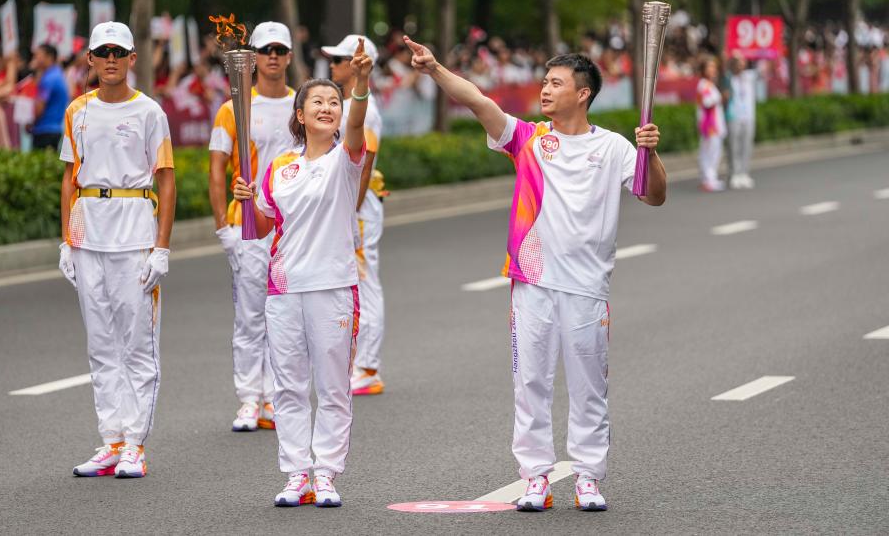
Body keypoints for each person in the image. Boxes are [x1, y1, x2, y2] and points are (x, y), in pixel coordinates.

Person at [402, 35, 666, 513]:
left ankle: (587, 476)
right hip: (533, 282)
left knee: (589, 386)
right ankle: (536, 478)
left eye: (556, 83)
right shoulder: (528, 139)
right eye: (544, 81)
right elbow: (479, 101)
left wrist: (651, 152)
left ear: (582, 93)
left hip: (587, 286)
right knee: (532, 385)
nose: (544, 90)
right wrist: (435, 68)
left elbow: (653, 195)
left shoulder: (613, 148)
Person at [233, 39, 373, 508]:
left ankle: (327, 473)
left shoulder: (345, 161)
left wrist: (360, 86)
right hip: (284, 287)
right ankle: (297, 473)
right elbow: (266, 227)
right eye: (318, 101)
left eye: (333, 102)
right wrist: (247, 202)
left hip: (333, 286)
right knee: (289, 385)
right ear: (300, 114)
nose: (327, 108)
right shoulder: (280, 167)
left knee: (332, 388)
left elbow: (356, 126)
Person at [59, 22, 176, 479]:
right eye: (102, 51)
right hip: (89, 232)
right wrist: (66, 240)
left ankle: (135, 443)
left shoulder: (150, 113)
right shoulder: (77, 112)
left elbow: (165, 180)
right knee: (101, 343)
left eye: (118, 51)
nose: (110, 59)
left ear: (131, 59)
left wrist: (161, 247)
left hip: (133, 232)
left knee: (137, 343)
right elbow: (68, 179)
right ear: (90, 59)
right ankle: (110, 439)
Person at [209, 21, 296, 432]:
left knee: (284, 316)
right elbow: (215, 169)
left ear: (290, 56)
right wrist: (222, 228)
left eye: (280, 49)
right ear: (254, 58)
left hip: (289, 228)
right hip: (246, 223)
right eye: (266, 50)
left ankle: (276, 397)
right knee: (249, 316)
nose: (273, 56)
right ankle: (249, 398)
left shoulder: (303, 107)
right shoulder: (233, 107)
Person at [321, 34, 388, 396]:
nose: (332, 65)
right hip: (350, 205)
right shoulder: (344, 104)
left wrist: (349, 212)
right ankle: (359, 362)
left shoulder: (366, 109)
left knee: (365, 281)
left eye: (339, 59)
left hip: (358, 206)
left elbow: (365, 166)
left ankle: (368, 366)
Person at [722, 52, 756, 189]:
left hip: (748, 116)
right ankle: (734, 174)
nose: (742, 65)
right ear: (733, 65)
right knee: (733, 147)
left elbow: (768, 70)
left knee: (746, 146)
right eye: (738, 62)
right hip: (733, 116)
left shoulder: (749, 77)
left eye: (743, 62)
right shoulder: (728, 79)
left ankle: (744, 173)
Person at [696, 56, 726, 192]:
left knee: (712, 152)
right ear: (703, 70)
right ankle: (709, 180)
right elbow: (706, 102)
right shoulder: (704, 84)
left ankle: (709, 178)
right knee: (710, 152)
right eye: (710, 67)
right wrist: (720, 97)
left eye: (714, 67)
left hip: (713, 124)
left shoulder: (709, 84)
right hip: (710, 125)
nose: (713, 70)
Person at [31, 43, 69, 150]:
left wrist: (30, 123)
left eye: (38, 55)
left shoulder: (48, 79)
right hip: (54, 129)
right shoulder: (57, 74)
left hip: (44, 130)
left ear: (49, 57)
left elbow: (40, 107)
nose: (35, 58)